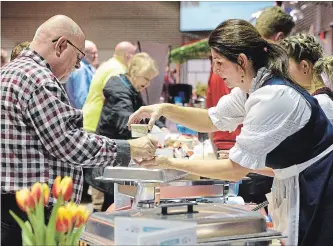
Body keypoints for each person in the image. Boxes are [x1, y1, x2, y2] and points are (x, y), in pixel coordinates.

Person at [128, 19, 333, 245]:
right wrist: (164, 108)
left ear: (242, 61)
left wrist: (168, 163)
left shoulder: (273, 96)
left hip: (320, 187)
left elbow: (234, 169)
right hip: (299, 187)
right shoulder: (253, 87)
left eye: (219, 62)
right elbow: (210, 119)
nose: (215, 70)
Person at [1, 15, 157, 246]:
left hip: (12, 205)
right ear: (61, 45)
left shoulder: (8, 72)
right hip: (34, 211)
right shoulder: (38, 79)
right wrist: (128, 148)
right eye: (78, 57)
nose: (77, 66)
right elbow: (67, 144)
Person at [96, 52, 166, 210]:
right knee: (113, 204)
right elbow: (127, 124)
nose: (147, 84)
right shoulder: (120, 92)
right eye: (146, 79)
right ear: (134, 73)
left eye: (150, 80)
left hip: (117, 154)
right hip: (111, 155)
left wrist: (160, 125)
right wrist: (150, 134)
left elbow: (142, 114)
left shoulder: (130, 88)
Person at [82, 41, 137, 133]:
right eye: (134, 54)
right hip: (97, 121)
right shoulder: (118, 70)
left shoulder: (108, 64)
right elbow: (109, 95)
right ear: (128, 55)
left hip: (90, 118)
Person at [280, 33, 333, 123]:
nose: (283, 74)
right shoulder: (321, 102)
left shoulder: (320, 105)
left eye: (285, 67)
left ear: (305, 67)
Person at [65, 40, 99, 109]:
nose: (96, 56)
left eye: (96, 53)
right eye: (93, 53)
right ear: (83, 54)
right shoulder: (81, 69)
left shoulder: (86, 68)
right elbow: (81, 99)